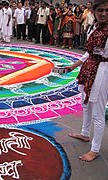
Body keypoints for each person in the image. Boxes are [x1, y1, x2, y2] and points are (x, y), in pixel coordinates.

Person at [67, 0, 108, 162]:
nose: (104, 14)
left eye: (107, 10)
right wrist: (73, 66)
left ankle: (95, 149)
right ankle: (84, 133)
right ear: (94, 12)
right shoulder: (94, 29)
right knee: (85, 104)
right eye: (100, 11)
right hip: (89, 70)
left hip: (103, 72)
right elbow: (88, 54)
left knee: (98, 112)